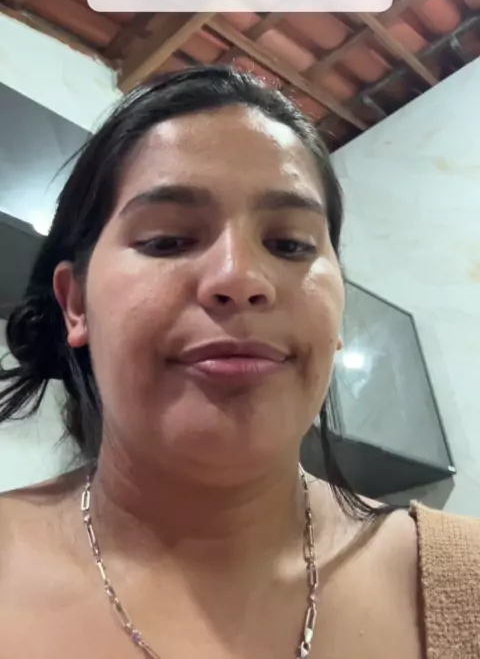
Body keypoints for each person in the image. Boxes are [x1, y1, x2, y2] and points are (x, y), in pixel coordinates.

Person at [0, 66, 478, 658]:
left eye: (290, 245)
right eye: (167, 240)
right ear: (75, 304)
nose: (241, 278)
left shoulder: (467, 580)